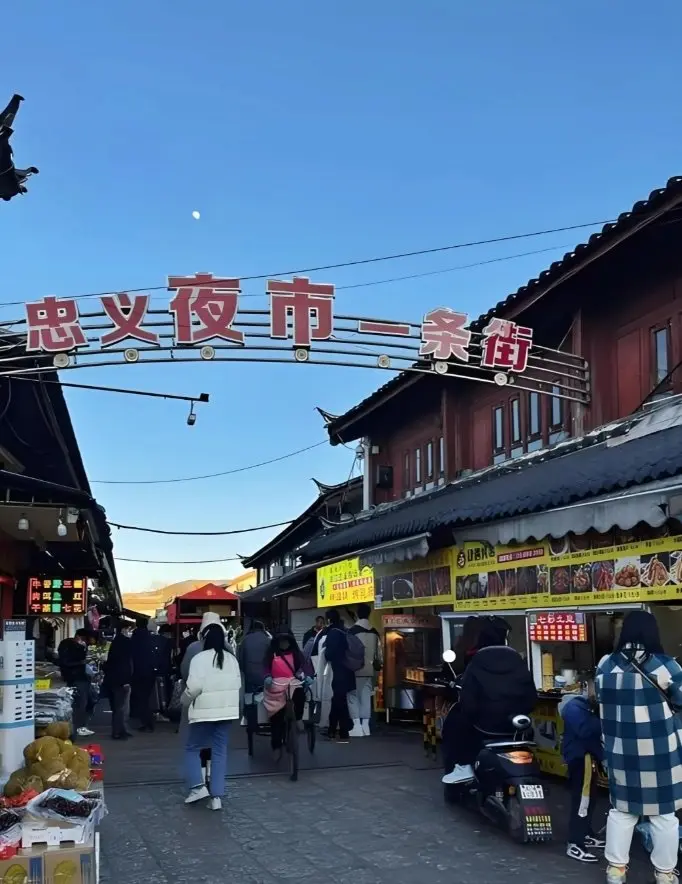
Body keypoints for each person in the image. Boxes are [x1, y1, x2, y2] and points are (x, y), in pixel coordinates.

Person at [596, 610, 682, 884]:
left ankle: (616, 870)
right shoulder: (666, 666)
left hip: (620, 751)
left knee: (622, 811)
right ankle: (665, 874)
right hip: (661, 752)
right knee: (664, 815)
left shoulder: (606, 665)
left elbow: (599, 699)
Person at [442, 616, 537, 784]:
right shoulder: (517, 659)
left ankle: (463, 765)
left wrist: (473, 713)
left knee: (455, 723)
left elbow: (468, 699)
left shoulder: (477, 661)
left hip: (485, 725)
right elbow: (531, 695)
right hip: (514, 724)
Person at [183, 623, 242, 810]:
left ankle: (197, 787)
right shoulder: (231, 659)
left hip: (204, 713)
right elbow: (238, 685)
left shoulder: (199, 658)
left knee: (192, 748)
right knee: (219, 751)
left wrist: (184, 700)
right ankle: (217, 797)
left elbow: (194, 687)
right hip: (226, 713)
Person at [558, 681, 605, 863]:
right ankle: (575, 843)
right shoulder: (574, 708)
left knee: (590, 798)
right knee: (582, 800)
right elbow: (586, 731)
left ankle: (584, 833)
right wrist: (605, 719)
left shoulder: (587, 708)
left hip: (588, 758)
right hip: (580, 759)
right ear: (587, 687)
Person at [263, 628, 308, 758]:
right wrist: (267, 676)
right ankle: (276, 745)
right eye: (281, 641)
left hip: (292, 681)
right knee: (276, 717)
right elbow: (265, 667)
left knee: (299, 693)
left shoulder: (296, 653)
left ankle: (298, 717)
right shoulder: (270, 653)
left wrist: (307, 676)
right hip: (275, 684)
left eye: (286, 641)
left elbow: (304, 666)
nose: (284, 643)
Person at [347, 604, 382, 737]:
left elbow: (348, 651)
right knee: (366, 697)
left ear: (357, 614)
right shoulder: (375, 632)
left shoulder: (352, 631)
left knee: (352, 696)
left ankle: (356, 726)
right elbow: (379, 654)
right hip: (370, 669)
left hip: (354, 669)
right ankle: (366, 726)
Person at [323, 609, 355, 744]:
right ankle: (333, 730)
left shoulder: (333, 633)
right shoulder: (345, 630)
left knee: (339, 701)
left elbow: (329, 655)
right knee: (338, 700)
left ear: (329, 620)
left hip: (338, 671)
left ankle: (343, 732)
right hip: (348, 671)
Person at [58, 628, 95, 739]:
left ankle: (81, 726)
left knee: (88, 701)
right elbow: (65, 662)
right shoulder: (67, 645)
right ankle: (77, 729)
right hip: (76, 678)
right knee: (80, 704)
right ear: (80, 637)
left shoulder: (79, 646)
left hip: (82, 677)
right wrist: (81, 662)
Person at [103, 619, 133, 741]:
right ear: (124, 629)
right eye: (129, 630)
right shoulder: (126, 643)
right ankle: (118, 732)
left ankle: (121, 730)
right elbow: (126, 664)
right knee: (120, 707)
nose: (130, 632)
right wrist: (127, 680)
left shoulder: (115, 642)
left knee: (117, 707)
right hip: (121, 680)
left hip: (112, 679)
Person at [130, 617, 156, 732]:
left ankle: (146, 722)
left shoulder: (136, 636)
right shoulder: (150, 637)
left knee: (140, 699)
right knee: (146, 698)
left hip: (138, 672)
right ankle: (148, 721)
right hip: (149, 671)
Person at [238, 620, 271, 693]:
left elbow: (240, 658)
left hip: (249, 675)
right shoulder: (268, 640)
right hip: (264, 675)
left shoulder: (245, 639)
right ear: (263, 628)